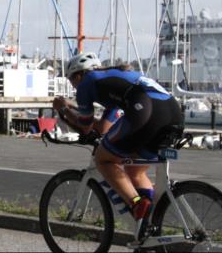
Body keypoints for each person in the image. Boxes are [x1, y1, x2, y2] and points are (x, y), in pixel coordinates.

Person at [53, 53, 184, 226]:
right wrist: (72, 106)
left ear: (78, 75)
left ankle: (137, 204)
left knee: (103, 159)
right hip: (173, 113)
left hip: (147, 111)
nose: (74, 86)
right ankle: (149, 224)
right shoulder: (112, 82)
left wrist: (63, 109)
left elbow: (85, 126)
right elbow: (104, 128)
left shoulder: (86, 82)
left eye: (71, 80)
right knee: (134, 170)